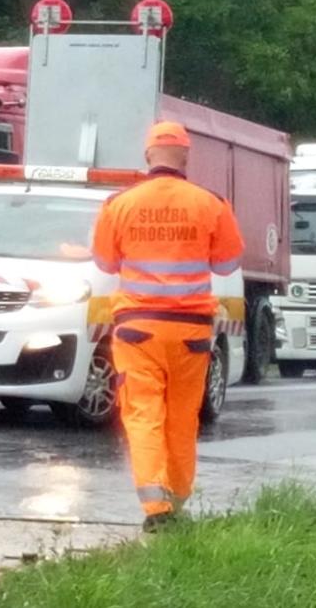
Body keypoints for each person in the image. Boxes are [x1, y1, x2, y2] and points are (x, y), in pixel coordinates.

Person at [90, 121, 244, 531]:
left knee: (143, 415)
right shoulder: (211, 203)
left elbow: (104, 264)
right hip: (191, 330)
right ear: (186, 156)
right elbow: (227, 264)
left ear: (147, 155)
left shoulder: (119, 204)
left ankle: (154, 509)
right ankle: (176, 503)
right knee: (182, 418)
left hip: (137, 328)